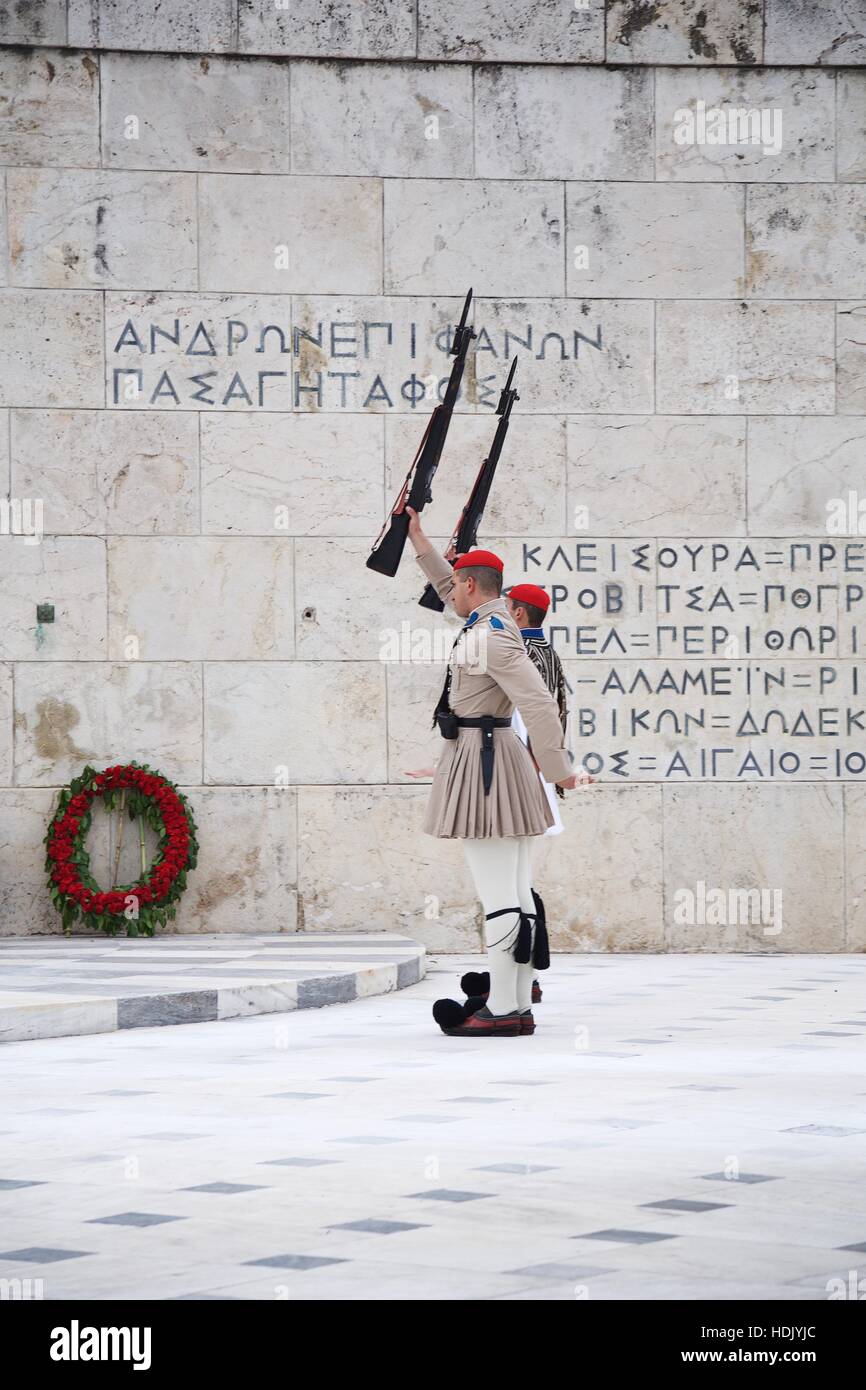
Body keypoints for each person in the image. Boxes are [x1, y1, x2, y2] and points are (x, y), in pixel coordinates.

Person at [405, 507, 593, 1038]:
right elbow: (448, 583)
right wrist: (418, 538)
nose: (451, 590)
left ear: (471, 586)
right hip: (488, 756)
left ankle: (505, 1010)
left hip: (487, 762)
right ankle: (512, 1001)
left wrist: (561, 771)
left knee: (501, 895)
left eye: (457, 584)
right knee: (512, 889)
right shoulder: (490, 620)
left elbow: (538, 702)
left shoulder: (492, 635)